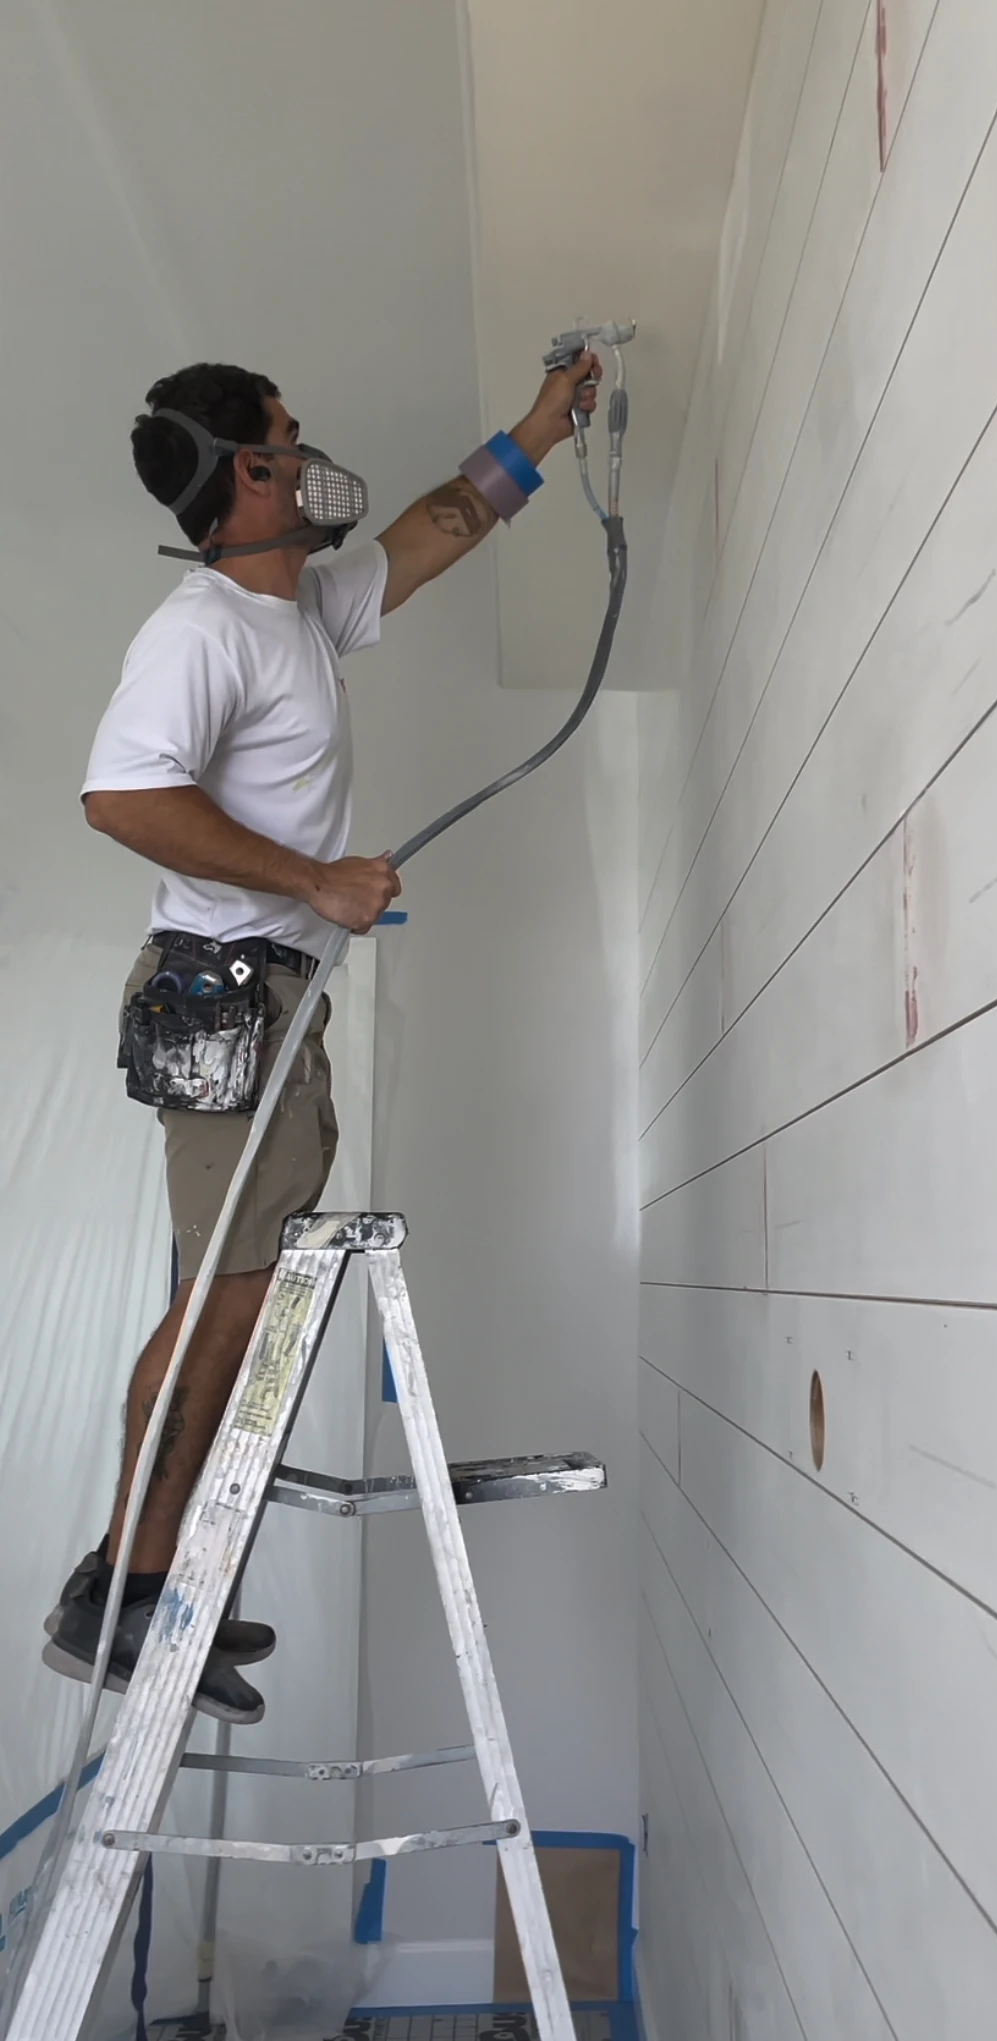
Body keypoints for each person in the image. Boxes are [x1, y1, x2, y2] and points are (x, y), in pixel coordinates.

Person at [44, 352, 600, 1724]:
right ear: (242, 472)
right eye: (286, 440)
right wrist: (311, 880)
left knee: (229, 1298)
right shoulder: (203, 633)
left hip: (256, 996)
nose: (307, 454)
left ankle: (155, 1587)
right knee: (226, 1308)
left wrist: (537, 431)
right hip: (232, 989)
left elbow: (426, 531)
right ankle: (123, 1593)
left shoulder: (295, 612)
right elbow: (120, 799)